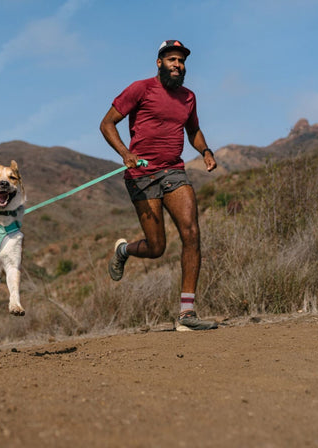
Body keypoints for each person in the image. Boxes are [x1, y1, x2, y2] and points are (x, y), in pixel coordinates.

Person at [99, 39, 218, 331]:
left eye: (181, 61)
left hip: (173, 172)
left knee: (192, 233)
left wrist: (205, 151)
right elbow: (107, 124)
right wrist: (126, 153)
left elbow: (193, 130)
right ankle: (124, 251)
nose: (177, 64)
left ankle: (186, 315)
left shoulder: (188, 98)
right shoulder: (140, 89)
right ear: (159, 63)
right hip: (142, 175)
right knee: (156, 247)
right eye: (172, 59)